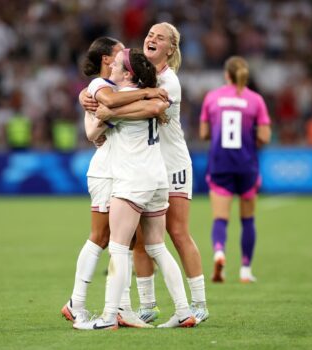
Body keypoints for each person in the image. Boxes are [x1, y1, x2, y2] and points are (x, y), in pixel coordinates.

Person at [89, 22, 209, 326]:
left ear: (171, 48)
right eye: (150, 34)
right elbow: (108, 91)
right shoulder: (140, 78)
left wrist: (110, 112)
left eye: (160, 37)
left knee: (177, 233)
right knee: (143, 241)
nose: (152, 38)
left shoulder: (168, 81)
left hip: (171, 164)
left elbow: (150, 108)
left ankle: (198, 303)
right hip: (148, 167)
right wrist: (87, 97)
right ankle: (149, 305)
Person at [61, 37, 167, 327]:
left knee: (128, 240)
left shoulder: (123, 88)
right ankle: (77, 302)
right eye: (120, 52)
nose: (126, 54)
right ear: (107, 59)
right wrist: (146, 95)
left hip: (122, 170)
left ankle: (122, 308)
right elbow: (93, 133)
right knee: (102, 236)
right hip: (106, 170)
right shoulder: (98, 87)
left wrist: (145, 94)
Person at [199, 56, 271, 283]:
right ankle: (246, 270)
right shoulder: (255, 100)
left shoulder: (212, 97)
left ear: (226, 74)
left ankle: (219, 251)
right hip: (247, 165)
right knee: (248, 219)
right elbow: (265, 136)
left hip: (220, 164)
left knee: (220, 218)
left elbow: (203, 134)